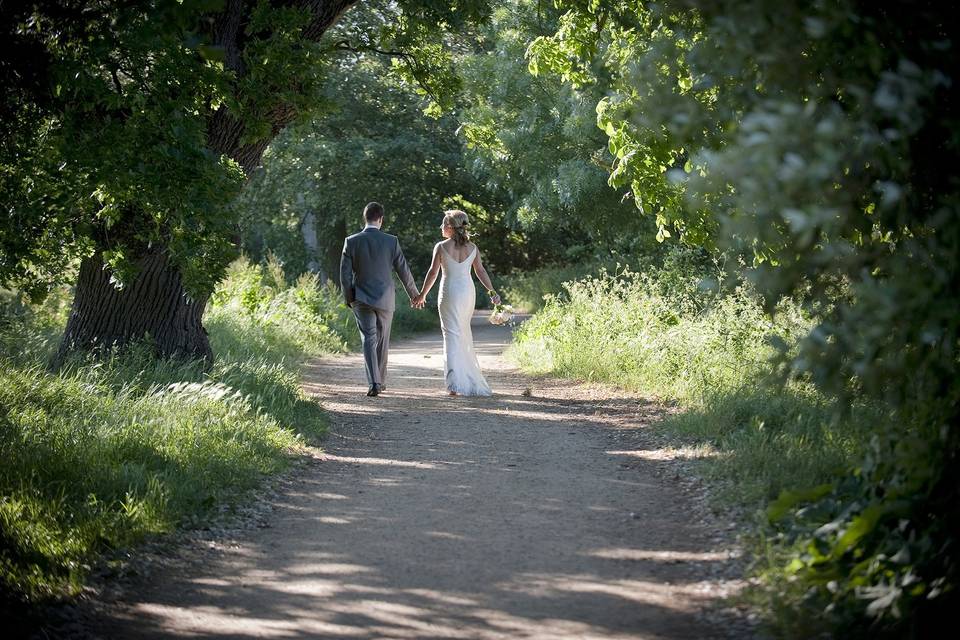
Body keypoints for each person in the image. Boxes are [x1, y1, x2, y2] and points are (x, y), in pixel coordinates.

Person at [412, 210, 500, 396]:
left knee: (451, 335)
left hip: (450, 292)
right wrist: (492, 291)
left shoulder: (441, 247)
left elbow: (433, 273)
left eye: (444, 224)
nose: (441, 227)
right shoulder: (473, 248)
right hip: (467, 292)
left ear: (451, 227)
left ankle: (454, 384)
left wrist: (422, 294)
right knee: (463, 333)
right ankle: (466, 378)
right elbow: (481, 272)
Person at [340, 202, 422, 397]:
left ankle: (374, 382)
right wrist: (415, 295)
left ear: (365, 218)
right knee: (382, 340)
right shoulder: (391, 241)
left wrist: (349, 298)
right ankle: (381, 380)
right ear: (381, 220)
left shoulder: (351, 241)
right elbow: (404, 270)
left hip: (360, 297)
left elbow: (344, 276)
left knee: (368, 338)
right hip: (385, 297)